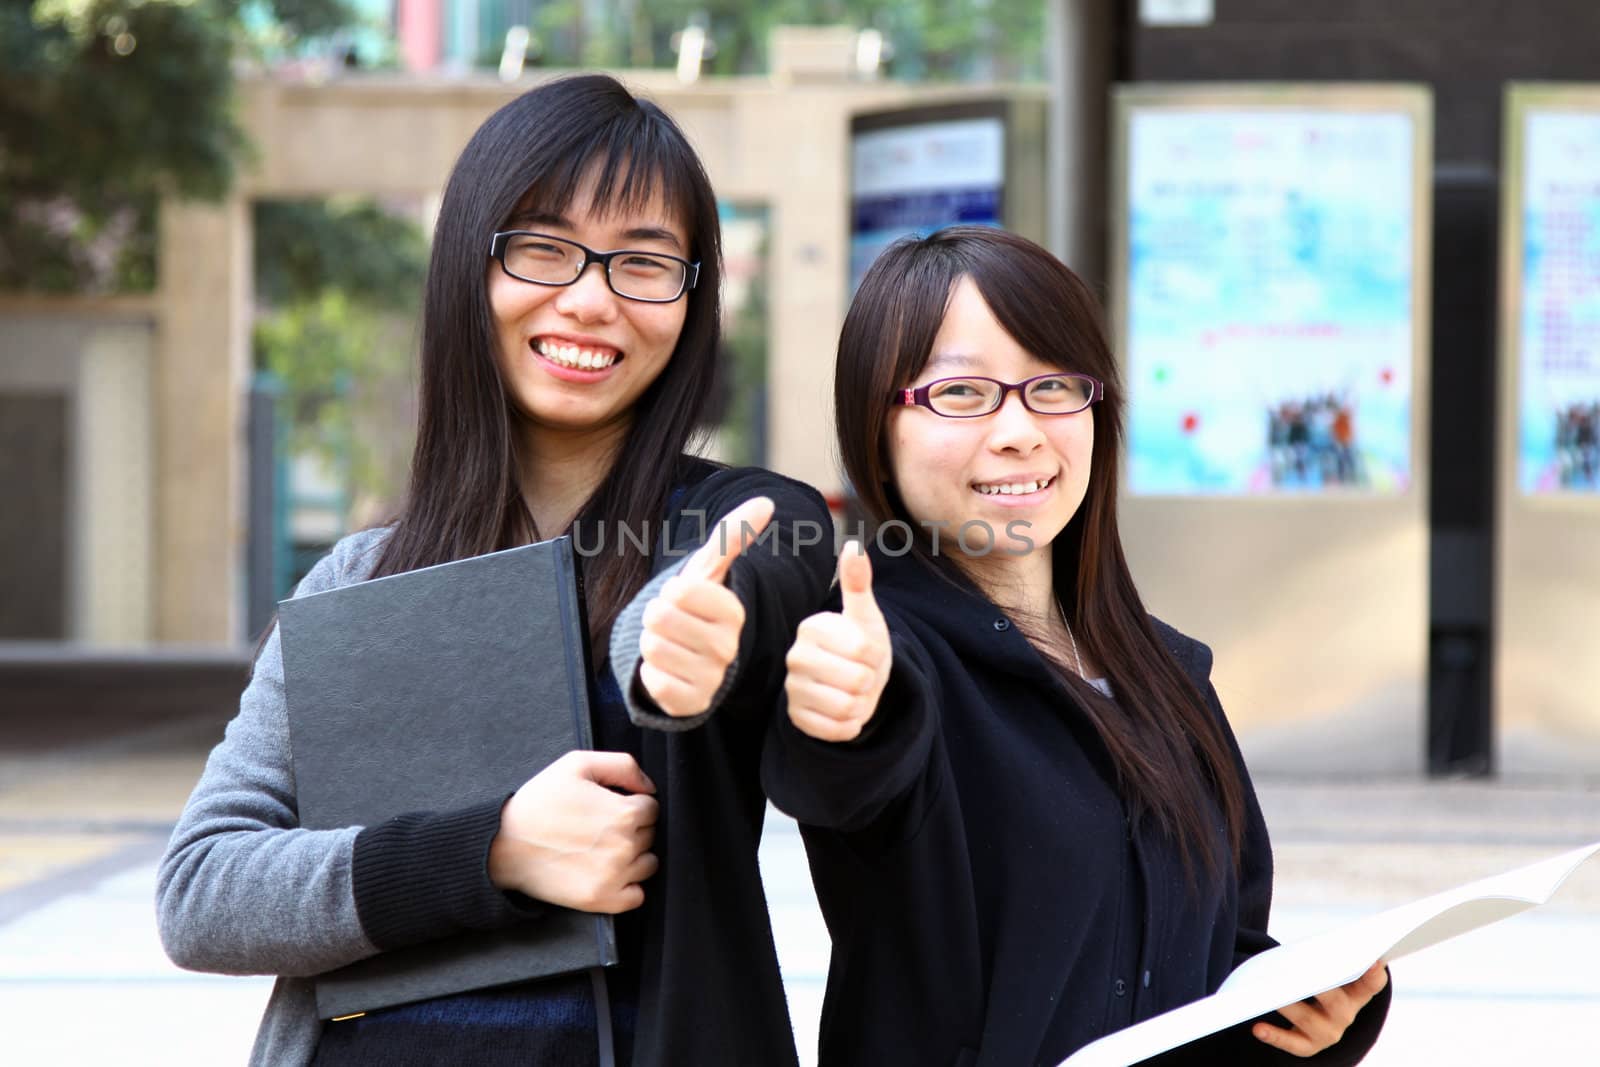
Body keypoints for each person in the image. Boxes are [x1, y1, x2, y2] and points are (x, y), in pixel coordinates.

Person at [157, 74, 833, 1067]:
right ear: (468, 267)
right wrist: (490, 852)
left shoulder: (737, 522)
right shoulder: (360, 577)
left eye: (643, 262)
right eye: (544, 248)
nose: (593, 298)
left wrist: (685, 648)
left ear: (692, 301)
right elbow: (202, 893)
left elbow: (730, 590)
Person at [762, 226, 1392, 1066]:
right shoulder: (888, 657)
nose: (1021, 431)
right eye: (962, 394)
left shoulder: (1167, 677)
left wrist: (1312, 1016)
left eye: (1053, 386)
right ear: (877, 426)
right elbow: (850, 765)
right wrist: (841, 711)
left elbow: (1211, 963)